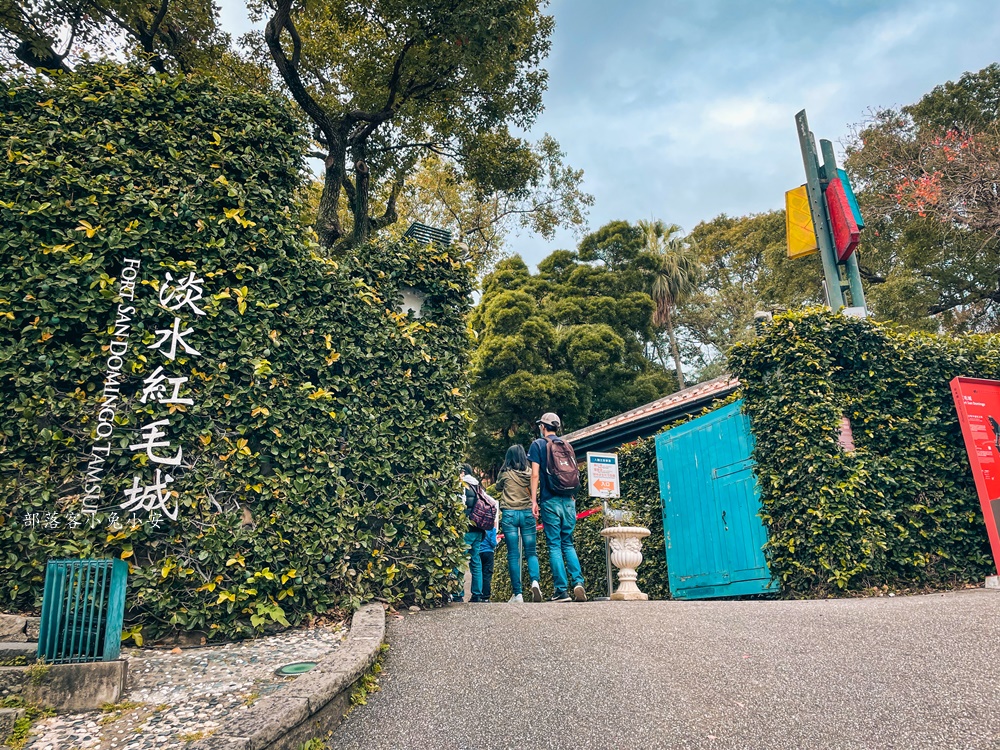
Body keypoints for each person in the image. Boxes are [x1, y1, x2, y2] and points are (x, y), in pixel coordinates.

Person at [527, 412, 586, 603]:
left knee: (554, 544)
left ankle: (561, 590)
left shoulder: (538, 445)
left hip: (550, 500)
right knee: (568, 543)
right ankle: (578, 583)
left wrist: (534, 500)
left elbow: (534, 475)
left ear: (543, 427)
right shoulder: (566, 445)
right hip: (569, 499)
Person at [495, 445, 542, 603]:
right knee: (531, 552)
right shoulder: (530, 474)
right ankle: (535, 582)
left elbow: (497, 486)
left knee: (513, 554)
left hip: (509, 515)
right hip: (527, 514)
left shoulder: (505, 474)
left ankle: (518, 594)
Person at [456, 464, 486, 603]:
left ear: (463, 472)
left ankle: (457, 593)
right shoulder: (479, 487)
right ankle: (477, 594)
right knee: (476, 561)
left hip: (466, 529)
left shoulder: (463, 486)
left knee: (459, 561)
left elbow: (460, 506)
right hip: (479, 529)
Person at [480, 527, 497, 601]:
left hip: (478, 553)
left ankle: (477, 594)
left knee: (478, 574)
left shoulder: (479, 527)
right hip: (489, 553)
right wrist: (497, 541)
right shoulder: (492, 529)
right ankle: (485, 596)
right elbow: (493, 543)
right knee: (487, 575)